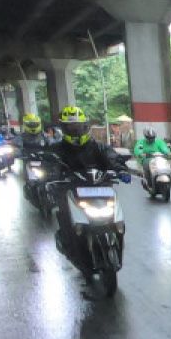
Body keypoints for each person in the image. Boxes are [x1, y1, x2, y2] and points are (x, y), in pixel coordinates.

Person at [47, 105, 131, 260]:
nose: (76, 130)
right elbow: (50, 166)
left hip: (101, 189)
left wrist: (121, 170)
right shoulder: (57, 149)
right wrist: (52, 176)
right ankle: (70, 246)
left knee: (117, 219)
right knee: (65, 217)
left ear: (85, 126)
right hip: (70, 191)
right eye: (71, 127)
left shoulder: (97, 146)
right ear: (64, 129)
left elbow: (112, 157)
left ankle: (117, 241)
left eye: (78, 126)